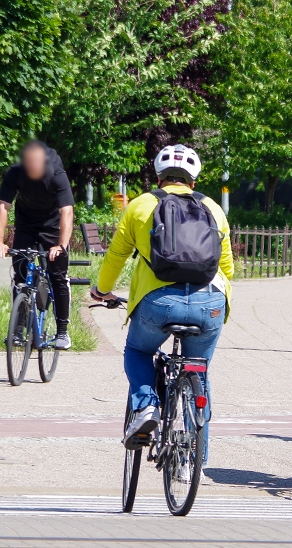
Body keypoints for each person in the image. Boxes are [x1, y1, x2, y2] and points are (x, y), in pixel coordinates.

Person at [91, 144, 233, 449]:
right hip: (210, 301)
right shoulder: (214, 208)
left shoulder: (140, 205)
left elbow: (116, 256)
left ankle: (145, 407)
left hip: (158, 302)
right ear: (193, 180)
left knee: (139, 351)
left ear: (158, 177)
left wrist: (102, 290)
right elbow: (227, 268)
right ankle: (194, 460)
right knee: (200, 368)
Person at [0, 141, 75, 349]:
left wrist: (61, 245)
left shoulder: (57, 174)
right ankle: (18, 331)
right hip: (26, 226)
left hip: (52, 227)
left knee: (58, 276)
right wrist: (0, 241)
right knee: (20, 277)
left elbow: (67, 211)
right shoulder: (15, 173)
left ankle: (63, 331)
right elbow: (3, 206)